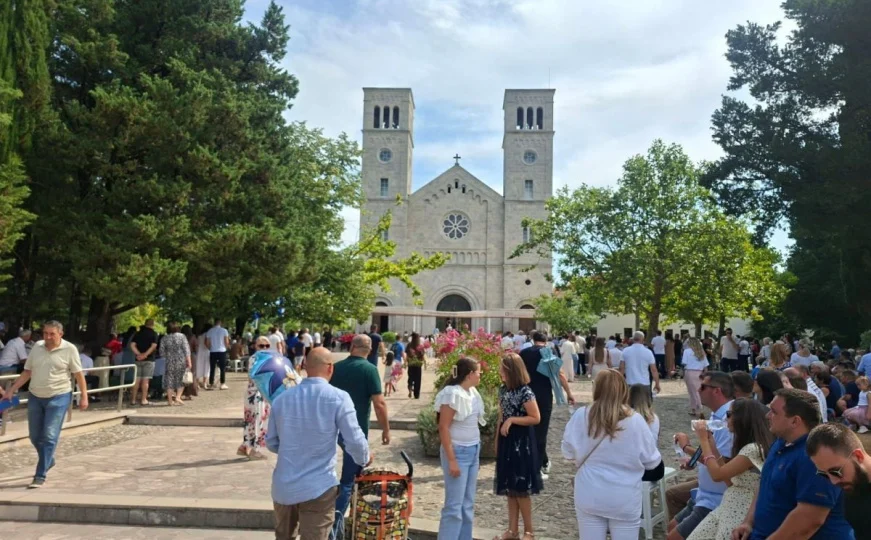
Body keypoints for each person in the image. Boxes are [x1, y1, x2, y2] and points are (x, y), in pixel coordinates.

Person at [267, 347, 370, 540]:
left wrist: (293, 449)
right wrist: (363, 458)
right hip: (319, 485)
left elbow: (271, 442)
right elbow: (354, 439)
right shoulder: (339, 397)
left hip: (284, 484)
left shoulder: (281, 399)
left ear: (305, 367)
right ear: (331, 368)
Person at [731, 389, 854, 540]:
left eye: (774, 412)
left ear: (795, 421)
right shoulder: (781, 442)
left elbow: (809, 520)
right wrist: (748, 522)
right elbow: (764, 482)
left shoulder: (816, 456)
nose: (767, 415)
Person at [562, 370, 662, 540]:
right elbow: (652, 463)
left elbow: (568, 453)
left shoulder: (582, 415)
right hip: (624, 496)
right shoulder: (636, 420)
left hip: (589, 492)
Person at [0, 321, 88, 488]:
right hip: (36, 396)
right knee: (35, 436)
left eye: (52, 334)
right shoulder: (37, 347)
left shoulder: (70, 349)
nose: (47, 337)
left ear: (60, 334)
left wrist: (84, 396)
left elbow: (78, 375)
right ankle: (49, 459)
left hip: (59, 395)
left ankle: (40, 475)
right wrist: (11, 391)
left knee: (49, 436)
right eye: (45, 333)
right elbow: (28, 372)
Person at [329, 334, 390, 539]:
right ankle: (335, 528)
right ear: (370, 350)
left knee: (330, 476)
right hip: (356, 431)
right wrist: (386, 429)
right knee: (350, 480)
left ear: (351, 347)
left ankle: (335, 522)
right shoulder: (370, 370)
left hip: (331, 428)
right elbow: (379, 403)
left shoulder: (336, 367)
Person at [686, 399, 773, 540]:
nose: (726, 419)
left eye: (729, 414)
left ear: (742, 418)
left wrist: (703, 441)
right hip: (728, 506)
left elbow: (717, 476)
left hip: (740, 511)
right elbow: (730, 481)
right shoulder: (749, 447)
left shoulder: (753, 449)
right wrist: (712, 446)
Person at [669, 372, 735, 540]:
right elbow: (708, 448)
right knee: (671, 527)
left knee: (674, 536)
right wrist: (693, 460)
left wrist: (686, 446)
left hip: (716, 499)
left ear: (717, 391)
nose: (698, 390)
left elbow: (723, 461)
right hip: (705, 493)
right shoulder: (717, 414)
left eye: (703, 387)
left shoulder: (729, 419)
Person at [434, 357, 484, 539]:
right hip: (458, 451)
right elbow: (443, 426)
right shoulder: (452, 393)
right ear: (470, 374)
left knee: (467, 504)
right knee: (454, 506)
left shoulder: (473, 392)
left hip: (473, 449)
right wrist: (452, 459)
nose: (481, 376)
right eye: (479, 372)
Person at [493, 353, 542, 540]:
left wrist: (513, 420)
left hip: (522, 443)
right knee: (510, 489)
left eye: (502, 368)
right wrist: (497, 441)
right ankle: (512, 530)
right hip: (507, 441)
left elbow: (535, 417)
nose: (500, 372)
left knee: (521, 489)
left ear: (510, 370)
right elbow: (500, 416)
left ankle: (529, 531)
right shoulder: (503, 390)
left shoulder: (525, 392)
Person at [520, 332, 575, 481]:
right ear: (546, 341)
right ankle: (536, 468)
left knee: (528, 429)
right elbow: (560, 374)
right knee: (541, 431)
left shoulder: (523, 353)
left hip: (525, 395)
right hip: (543, 395)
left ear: (532, 340)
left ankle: (541, 461)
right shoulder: (547, 352)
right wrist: (568, 393)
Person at [806, 422, 871, 534]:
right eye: (824, 474)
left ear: (858, 456)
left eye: (836, 472)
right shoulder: (853, 485)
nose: (833, 481)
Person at [239, 337, 283, 460]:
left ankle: (246, 445)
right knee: (258, 421)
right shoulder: (256, 358)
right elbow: (254, 376)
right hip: (257, 393)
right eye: (261, 345)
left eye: (266, 346)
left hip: (259, 392)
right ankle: (255, 449)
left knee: (252, 420)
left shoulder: (269, 358)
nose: (264, 348)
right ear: (255, 346)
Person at [159, 322, 191, 407]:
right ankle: (178, 397)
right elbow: (186, 350)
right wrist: (189, 361)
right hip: (181, 360)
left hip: (169, 361)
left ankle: (170, 401)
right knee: (181, 379)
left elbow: (161, 352)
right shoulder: (182, 337)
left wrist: (168, 355)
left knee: (169, 380)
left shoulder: (165, 338)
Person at [621, 331, 662, 396]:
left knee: (629, 404)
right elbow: (654, 370)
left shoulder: (625, 351)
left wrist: (620, 382)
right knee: (644, 404)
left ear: (633, 339)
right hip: (644, 383)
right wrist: (657, 384)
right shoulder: (648, 352)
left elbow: (622, 368)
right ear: (643, 339)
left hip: (630, 382)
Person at [130, 319, 158, 405]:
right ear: (153, 324)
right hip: (149, 360)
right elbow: (153, 346)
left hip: (138, 359)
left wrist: (139, 354)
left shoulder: (138, 333)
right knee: (145, 381)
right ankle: (143, 399)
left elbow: (132, 345)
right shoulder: (154, 333)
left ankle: (133, 400)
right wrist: (145, 354)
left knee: (136, 380)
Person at [683, 338, 710, 416]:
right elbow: (706, 365)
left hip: (690, 372)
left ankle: (698, 408)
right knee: (697, 391)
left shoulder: (687, 351)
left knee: (692, 392)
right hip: (700, 372)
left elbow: (684, 362)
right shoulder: (701, 352)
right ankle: (696, 408)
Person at [205, 319, 230, 391]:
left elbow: (207, 342)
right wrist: (226, 347)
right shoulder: (224, 330)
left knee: (212, 368)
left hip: (213, 351)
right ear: (220, 323)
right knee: (222, 368)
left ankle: (211, 383)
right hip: (222, 350)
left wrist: (210, 348)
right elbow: (226, 341)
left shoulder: (210, 331)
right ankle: (222, 384)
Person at [405, 332, 425, 399]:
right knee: (417, 380)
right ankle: (416, 394)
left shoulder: (409, 345)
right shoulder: (420, 346)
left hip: (411, 364)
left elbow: (407, 355)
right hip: (418, 365)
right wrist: (423, 363)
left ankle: (410, 390)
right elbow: (422, 356)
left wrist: (406, 362)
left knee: (410, 378)